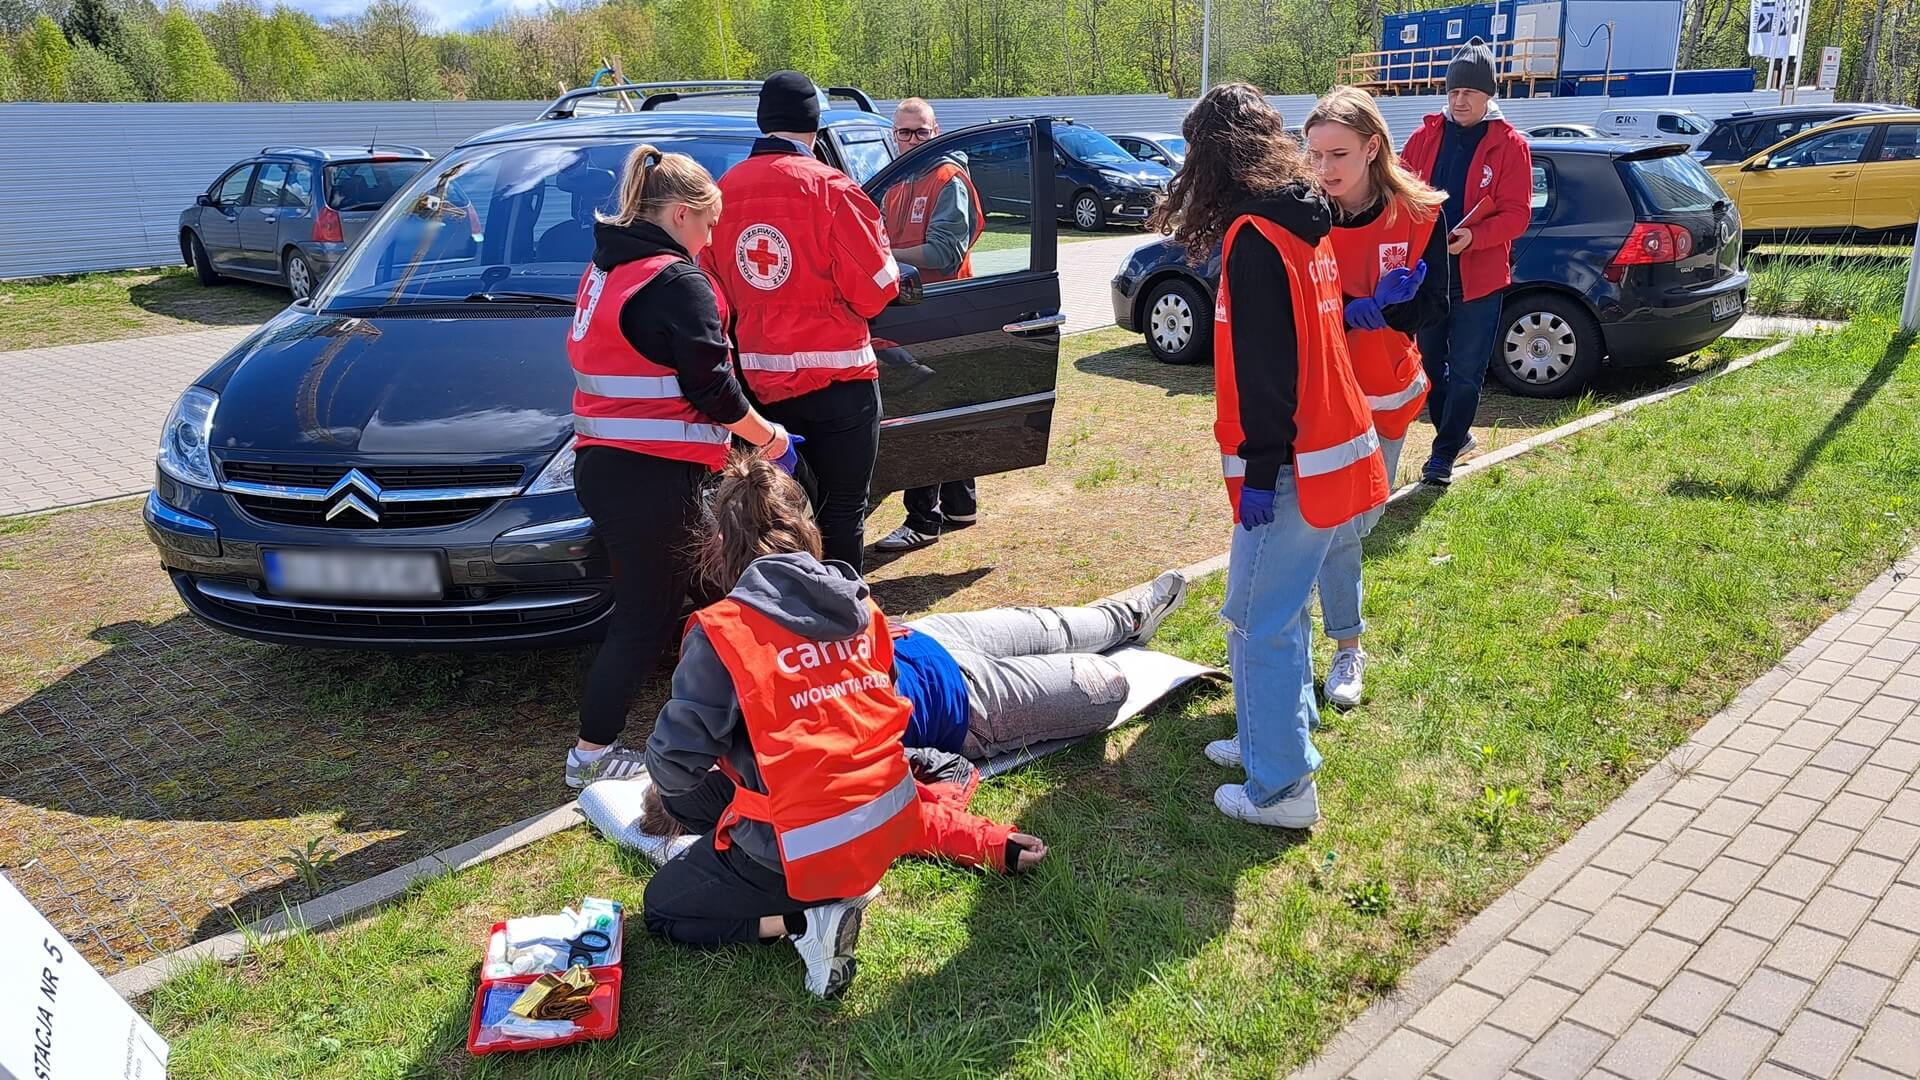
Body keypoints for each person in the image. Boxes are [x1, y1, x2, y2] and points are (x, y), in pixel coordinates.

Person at [641, 455, 1187, 996]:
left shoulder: (734, 634)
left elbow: (680, 764)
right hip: (965, 700)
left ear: (721, 545)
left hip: (932, 643)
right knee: (1099, 680)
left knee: (1051, 625)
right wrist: (989, 841)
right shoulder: (855, 603)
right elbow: (895, 792)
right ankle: (1128, 621)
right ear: (806, 529)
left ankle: (1130, 615)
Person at [1147, 84, 1388, 830]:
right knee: (1282, 611)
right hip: (1323, 451)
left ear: (1214, 160)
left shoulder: (1256, 237)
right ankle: (1271, 734)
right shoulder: (1302, 218)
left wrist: (1259, 473)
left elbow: (1266, 373)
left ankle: (1282, 788)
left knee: (1258, 620)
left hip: (1290, 466)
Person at [562, 146, 801, 790]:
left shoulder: (606, 269)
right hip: (655, 474)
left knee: (715, 590)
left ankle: (753, 714)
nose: (711, 240)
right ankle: (590, 753)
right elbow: (714, 389)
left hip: (609, 465)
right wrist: (770, 439)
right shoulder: (675, 282)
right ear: (679, 214)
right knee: (648, 614)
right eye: (709, 224)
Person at [704, 71, 900, 570]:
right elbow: (877, 290)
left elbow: (711, 298)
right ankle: (840, 611)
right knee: (842, 513)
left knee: (770, 520)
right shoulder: (833, 189)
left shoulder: (722, 195)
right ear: (814, 125)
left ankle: (778, 610)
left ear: (762, 121)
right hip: (841, 385)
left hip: (758, 392)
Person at [1303, 86, 1450, 708]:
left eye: (1337, 154)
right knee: (1334, 525)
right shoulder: (1304, 213)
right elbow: (1294, 303)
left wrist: (1394, 310)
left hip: (1386, 391)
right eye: (1314, 155)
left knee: (1361, 519)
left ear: (1372, 148)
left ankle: (1327, 627)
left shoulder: (1420, 214)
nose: (1324, 169)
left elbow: (1436, 304)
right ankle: (1346, 647)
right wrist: (1348, 310)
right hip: (1322, 394)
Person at [1399, 38, 1533, 486]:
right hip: (1429, 276)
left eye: (1469, 92)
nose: (1459, 100)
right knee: (1429, 367)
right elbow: (1400, 193)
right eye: (1454, 91)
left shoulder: (1510, 146)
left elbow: (1517, 215)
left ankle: (1442, 455)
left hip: (1480, 278)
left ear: (1488, 95)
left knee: (1466, 372)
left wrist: (1474, 238)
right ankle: (1456, 436)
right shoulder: (1423, 138)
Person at [874, 97, 988, 554]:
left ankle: (923, 520)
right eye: (904, 132)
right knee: (946, 407)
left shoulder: (947, 178)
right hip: (911, 310)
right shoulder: (895, 183)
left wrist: (882, 255)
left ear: (936, 132)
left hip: (941, 310)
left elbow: (944, 253)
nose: (912, 140)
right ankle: (960, 505)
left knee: (923, 414)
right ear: (893, 136)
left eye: (921, 131)